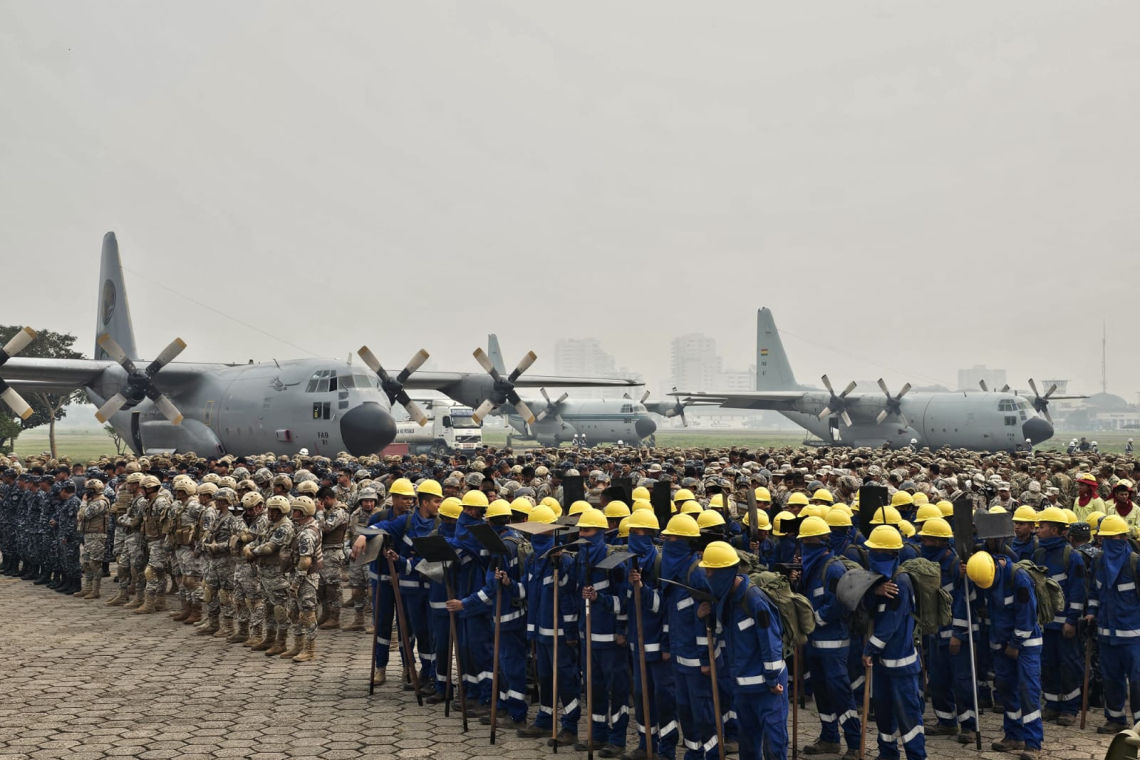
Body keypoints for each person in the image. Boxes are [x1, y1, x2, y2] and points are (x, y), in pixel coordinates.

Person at [701, 540, 788, 760]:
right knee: (748, 744)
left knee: (774, 745)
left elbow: (771, 642)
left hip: (768, 688)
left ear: (726, 572)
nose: (707, 576)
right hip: (742, 687)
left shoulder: (754, 599)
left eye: (711, 572)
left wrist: (772, 679)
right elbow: (724, 639)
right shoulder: (725, 601)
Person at [967, 550, 1043, 760]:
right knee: (1006, 690)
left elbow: (1026, 616)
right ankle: (1014, 736)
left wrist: (1015, 643)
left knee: (1028, 692)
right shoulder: (985, 577)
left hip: (1025, 644)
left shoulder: (1019, 578)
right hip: (1001, 644)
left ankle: (1033, 743)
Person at [517, 505, 581, 746]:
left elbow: (569, 597)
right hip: (539, 630)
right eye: (534, 534)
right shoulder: (533, 558)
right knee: (544, 678)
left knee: (565, 679)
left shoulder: (563, 559)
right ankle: (545, 720)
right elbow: (525, 588)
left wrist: (571, 632)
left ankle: (570, 726)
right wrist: (507, 585)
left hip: (559, 632)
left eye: (543, 534)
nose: (538, 539)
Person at [797, 516, 860, 760]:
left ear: (820, 540)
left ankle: (854, 742)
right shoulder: (812, 566)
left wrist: (816, 618)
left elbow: (840, 603)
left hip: (833, 645)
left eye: (806, 540)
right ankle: (829, 738)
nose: (803, 544)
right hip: (814, 644)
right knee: (822, 694)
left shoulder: (832, 568)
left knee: (840, 693)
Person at [861, 525, 925, 760]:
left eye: (876, 552)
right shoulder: (879, 581)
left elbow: (891, 622)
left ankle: (917, 755)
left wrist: (869, 648)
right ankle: (887, 754)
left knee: (908, 715)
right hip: (882, 663)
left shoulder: (902, 581)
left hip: (901, 663)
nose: (872, 557)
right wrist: (874, 591)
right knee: (884, 712)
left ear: (890, 555)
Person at [572, 508, 630, 757]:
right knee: (593, 689)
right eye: (581, 530)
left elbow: (624, 601)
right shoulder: (578, 559)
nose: (583, 534)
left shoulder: (614, 560)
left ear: (601, 531)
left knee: (616, 690)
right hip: (588, 637)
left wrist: (619, 629)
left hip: (610, 640)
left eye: (588, 530)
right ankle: (597, 735)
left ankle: (617, 739)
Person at [625, 510, 678, 760]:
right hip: (637, 643)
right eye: (631, 532)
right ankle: (646, 746)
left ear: (651, 535)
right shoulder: (631, 561)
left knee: (663, 699)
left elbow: (662, 607)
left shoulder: (660, 562)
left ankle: (666, 750)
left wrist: (642, 588)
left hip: (658, 645)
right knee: (641, 696)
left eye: (639, 532)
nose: (634, 537)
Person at [1085, 514, 1140, 735]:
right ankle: (1116, 719)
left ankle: (1139, 724)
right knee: (1111, 678)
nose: (1106, 542)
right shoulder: (1099, 561)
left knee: (1137, 681)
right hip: (1106, 635)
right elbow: (1094, 592)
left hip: (1133, 636)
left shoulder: (1135, 562)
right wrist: (1090, 614)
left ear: (1123, 538)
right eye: (1103, 538)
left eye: (1111, 537)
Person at [1032, 506, 1085, 726]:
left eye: (1041, 527)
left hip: (1065, 625)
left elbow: (1078, 590)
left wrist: (1072, 620)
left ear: (1054, 530)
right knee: (1048, 664)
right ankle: (1052, 705)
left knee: (1069, 665)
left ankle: (1070, 708)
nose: (1038, 531)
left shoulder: (1072, 556)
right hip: (1046, 624)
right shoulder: (1039, 553)